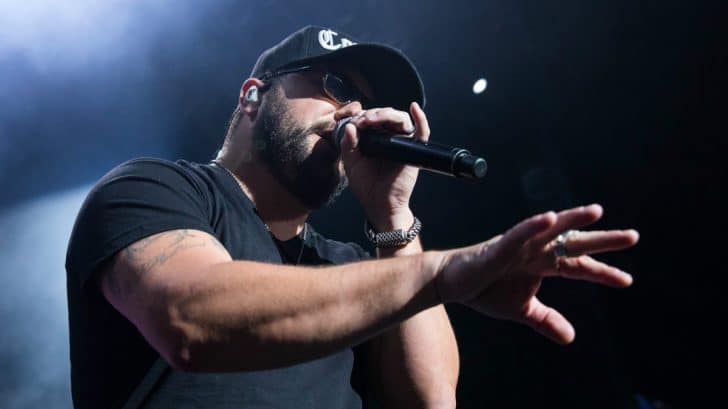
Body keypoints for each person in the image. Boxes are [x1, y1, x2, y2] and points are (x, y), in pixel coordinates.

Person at [65, 25, 639, 408]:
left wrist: (393, 214)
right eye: (336, 86)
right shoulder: (154, 190)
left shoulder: (353, 269)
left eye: (370, 101)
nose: (356, 111)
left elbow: (428, 402)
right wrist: (443, 274)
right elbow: (192, 321)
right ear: (253, 97)